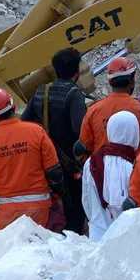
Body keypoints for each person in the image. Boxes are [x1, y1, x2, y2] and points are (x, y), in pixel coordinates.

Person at [0, 88, 66, 230]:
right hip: (39, 209)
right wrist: (57, 196)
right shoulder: (36, 131)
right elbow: (55, 172)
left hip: (7, 214)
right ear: (13, 106)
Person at [22, 48, 88, 234]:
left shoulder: (41, 91)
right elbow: (79, 129)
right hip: (69, 162)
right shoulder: (74, 94)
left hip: (44, 161)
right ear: (76, 71)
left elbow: (24, 122)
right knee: (74, 205)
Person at [81, 110, 140, 241]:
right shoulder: (136, 165)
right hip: (126, 238)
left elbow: (86, 202)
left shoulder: (91, 162)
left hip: (97, 236)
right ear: (134, 133)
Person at [79, 57, 140, 153]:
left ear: (110, 82)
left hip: (102, 166)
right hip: (135, 166)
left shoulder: (93, 110)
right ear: (132, 79)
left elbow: (84, 146)